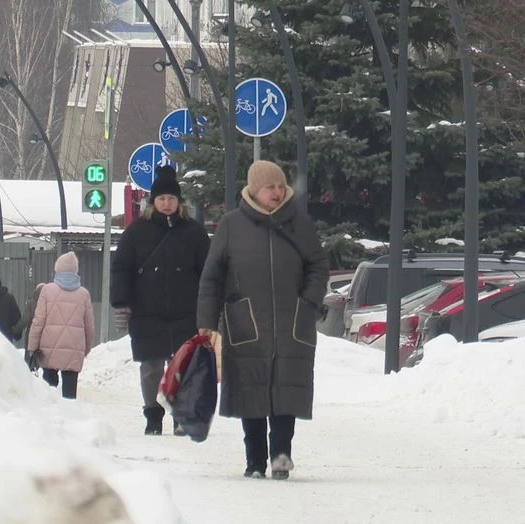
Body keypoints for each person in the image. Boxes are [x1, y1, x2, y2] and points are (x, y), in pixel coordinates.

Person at [197, 160, 329, 480]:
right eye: (270, 186)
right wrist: (206, 321)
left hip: (291, 320)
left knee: (286, 389)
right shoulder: (232, 225)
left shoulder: (300, 224)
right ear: (254, 190)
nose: (277, 192)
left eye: (281, 186)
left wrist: (308, 302)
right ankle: (254, 459)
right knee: (251, 390)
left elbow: (318, 266)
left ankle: (281, 455)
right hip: (246, 321)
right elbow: (212, 277)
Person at [110, 165, 211, 435]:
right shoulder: (136, 232)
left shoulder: (194, 232)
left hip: (185, 311)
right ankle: (153, 415)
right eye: (162, 198)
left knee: (183, 366)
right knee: (151, 367)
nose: (167, 203)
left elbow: (208, 272)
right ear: (152, 201)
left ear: (179, 202)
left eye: (172, 198)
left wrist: (210, 307)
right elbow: (121, 268)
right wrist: (122, 302)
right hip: (147, 311)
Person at [27, 252, 95, 400]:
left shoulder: (47, 290)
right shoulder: (84, 294)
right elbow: (89, 326)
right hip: (74, 350)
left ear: (57, 269)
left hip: (48, 350)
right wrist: (86, 348)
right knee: (70, 397)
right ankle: (70, 413)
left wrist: (32, 346)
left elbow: (38, 321)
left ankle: (50, 413)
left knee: (49, 394)